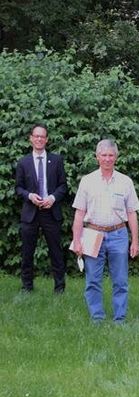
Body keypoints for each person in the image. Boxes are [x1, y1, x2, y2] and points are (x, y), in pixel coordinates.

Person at [71, 139, 139, 323]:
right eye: (104, 155)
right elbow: (79, 214)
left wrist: (135, 241)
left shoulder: (125, 182)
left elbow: (132, 213)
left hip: (119, 234)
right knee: (93, 280)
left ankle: (120, 318)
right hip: (93, 234)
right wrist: (77, 240)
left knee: (120, 280)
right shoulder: (87, 181)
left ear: (116, 157)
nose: (107, 159)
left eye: (111, 155)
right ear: (97, 157)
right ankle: (97, 318)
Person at [15, 124, 68, 293]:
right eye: (36, 136)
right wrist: (30, 196)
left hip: (51, 212)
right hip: (30, 213)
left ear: (47, 139)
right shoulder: (23, 162)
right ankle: (27, 288)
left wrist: (52, 198)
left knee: (56, 252)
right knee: (27, 253)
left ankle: (60, 288)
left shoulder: (56, 160)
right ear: (31, 138)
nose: (39, 139)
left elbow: (63, 186)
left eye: (42, 136)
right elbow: (18, 188)